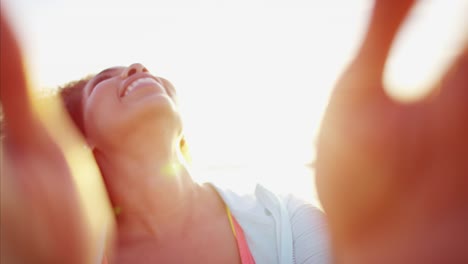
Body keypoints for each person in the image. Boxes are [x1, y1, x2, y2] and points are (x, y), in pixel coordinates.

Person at [1, 0, 467, 263]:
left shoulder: (285, 224)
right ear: (80, 147)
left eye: (135, 66)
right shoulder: (74, 255)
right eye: (105, 80)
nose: (136, 68)